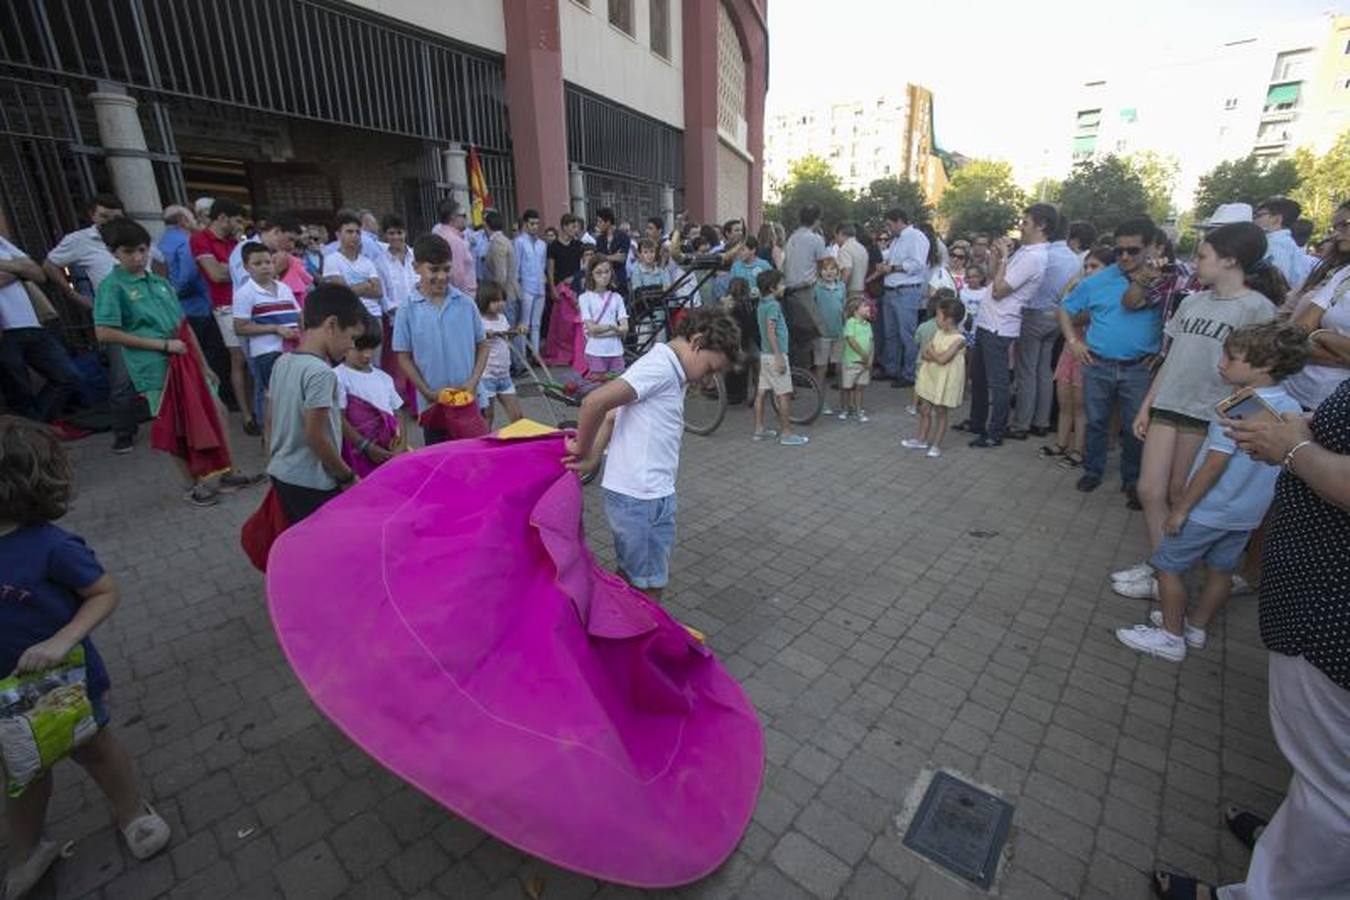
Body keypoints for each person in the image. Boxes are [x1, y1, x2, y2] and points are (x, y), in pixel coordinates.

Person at [1150, 380, 1350, 900]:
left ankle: (1277, 885)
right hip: (1321, 602)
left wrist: (1295, 448)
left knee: (1337, 796)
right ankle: (1294, 845)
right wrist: (1308, 427)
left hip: (1335, 618)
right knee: (1324, 777)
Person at [0, 418, 171, 900]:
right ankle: (28, 848)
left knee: (93, 746)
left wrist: (62, 639)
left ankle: (132, 812)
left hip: (61, 683)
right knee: (22, 771)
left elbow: (103, 592)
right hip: (6, 696)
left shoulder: (51, 546)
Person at [1114, 321, 1306, 665]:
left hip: (1208, 510)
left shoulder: (1238, 407)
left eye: (1231, 357)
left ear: (1263, 366)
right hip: (1246, 515)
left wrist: (1181, 509)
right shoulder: (1291, 407)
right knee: (1220, 572)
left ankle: (1170, 636)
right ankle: (1196, 627)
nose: (1221, 362)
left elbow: (1212, 466)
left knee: (1168, 567)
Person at [1112, 223, 1283, 599]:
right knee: (1148, 489)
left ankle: (1169, 572)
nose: (1196, 263)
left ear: (1230, 260)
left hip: (1207, 412)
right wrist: (1147, 404)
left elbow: (1259, 372)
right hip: (1168, 402)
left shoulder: (1257, 307)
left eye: (1203, 256)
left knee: (1178, 492)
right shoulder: (1192, 301)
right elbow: (1172, 358)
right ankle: (1162, 566)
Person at [563, 307, 741, 600]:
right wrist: (583, 449)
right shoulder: (660, 368)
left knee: (633, 574)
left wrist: (594, 458)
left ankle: (619, 626)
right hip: (643, 497)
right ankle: (641, 637)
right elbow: (595, 403)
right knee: (648, 585)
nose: (708, 380)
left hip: (640, 494)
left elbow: (612, 415)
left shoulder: (670, 367)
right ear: (696, 343)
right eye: (709, 369)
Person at [94, 219, 256, 506]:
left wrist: (204, 364)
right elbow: (105, 332)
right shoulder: (112, 286)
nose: (137, 258)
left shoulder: (159, 283)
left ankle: (227, 471)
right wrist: (162, 345)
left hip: (187, 358)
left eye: (142, 250)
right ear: (113, 253)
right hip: (154, 366)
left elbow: (183, 324)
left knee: (216, 410)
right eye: (128, 252)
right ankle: (193, 486)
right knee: (176, 426)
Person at [1057, 217, 1163, 494]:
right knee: (1096, 423)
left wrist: (1164, 352)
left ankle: (1132, 479)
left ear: (1151, 247)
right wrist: (1072, 342)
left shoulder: (1165, 281)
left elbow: (1175, 320)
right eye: (1119, 251)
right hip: (1098, 364)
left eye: (1133, 250)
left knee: (1134, 428)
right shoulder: (1099, 280)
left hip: (1139, 367)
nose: (1124, 256)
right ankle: (1093, 470)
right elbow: (1064, 309)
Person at [264, 283, 367, 523]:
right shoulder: (321, 372)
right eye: (351, 337)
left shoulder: (283, 361)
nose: (352, 346)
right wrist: (346, 476)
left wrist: (273, 459)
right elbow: (315, 436)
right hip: (313, 481)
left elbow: (269, 419)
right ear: (331, 325)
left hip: (282, 473)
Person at [967, 205, 1051, 448]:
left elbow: (999, 290)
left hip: (1000, 326)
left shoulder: (1035, 257)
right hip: (988, 322)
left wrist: (1004, 257)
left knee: (997, 382)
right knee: (979, 379)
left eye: (1025, 222)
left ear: (1041, 225)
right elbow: (995, 277)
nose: (1020, 227)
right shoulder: (1026, 251)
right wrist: (996, 256)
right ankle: (977, 423)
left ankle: (995, 432)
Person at [393, 234, 489, 446]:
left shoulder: (465, 303)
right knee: (441, 462)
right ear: (416, 267)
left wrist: (473, 382)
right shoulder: (407, 310)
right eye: (434, 270)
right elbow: (403, 357)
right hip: (433, 406)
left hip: (469, 402)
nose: (442, 276)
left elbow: (482, 345)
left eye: (446, 269)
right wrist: (426, 391)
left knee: (474, 460)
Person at [0, 236, 81, 434]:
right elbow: (25, 271)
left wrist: (10, 268)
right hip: (4, 331)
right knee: (19, 391)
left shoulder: (2, 242)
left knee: (68, 375)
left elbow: (37, 273)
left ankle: (34, 429)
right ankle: (33, 438)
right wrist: (19, 270)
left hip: (31, 323)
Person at [1010, 208, 1079, 439]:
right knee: (1044, 369)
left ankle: (1022, 423)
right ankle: (1041, 421)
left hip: (1035, 313)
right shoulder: (1072, 256)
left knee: (1027, 371)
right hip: (1058, 317)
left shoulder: (1042, 253)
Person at [1043, 247, 1114, 468]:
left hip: (1089, 353)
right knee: (1064, 401)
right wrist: (1073, 285)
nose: (1089, 271)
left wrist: (1069, 313)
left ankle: (1078, 450)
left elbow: (1076, 317)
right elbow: (1060, 310)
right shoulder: (1080, 287)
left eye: (1095, 266)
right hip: (1069, 350)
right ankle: (1061, 444)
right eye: (1087, 266)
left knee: (1081, 406)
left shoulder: (1109, 293)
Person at [191, 198, 254, 434]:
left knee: (252, 359)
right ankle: (247, 415)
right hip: (225, 306)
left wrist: (234, 266)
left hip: (246, 302)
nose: (240, 226)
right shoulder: (201, 239)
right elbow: (215, 274)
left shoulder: (234, 242)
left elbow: (249, 269)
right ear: (222, 218)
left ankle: (254, 409)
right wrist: (239, 269)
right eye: (236, 221)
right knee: (239, 358)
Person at [1284, 199, 1350, 411]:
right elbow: (1296, 334)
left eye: (1345, 224)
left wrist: (1321, 335)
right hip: (1295, 392)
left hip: (1337, 410)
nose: (1336, 234)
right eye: (1335, 227)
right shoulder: (1344, 274)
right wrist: (1323, 339)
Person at [231, 241, 302, 426]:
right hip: (267, 352)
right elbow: (240, 327)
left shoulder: (284, 288)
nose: (265, 267)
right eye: (258, 263)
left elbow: (298, 315)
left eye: (268, 262)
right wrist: (274, 328)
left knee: (290, 396)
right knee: (270, 395)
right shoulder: (245, 293)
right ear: (247, 267)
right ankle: (268, 437)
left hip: (292, 349)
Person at [336, 320, 404, 478]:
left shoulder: (384, 378)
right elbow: (339, 418)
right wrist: (365, 446)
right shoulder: (338, 377)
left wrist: (400, 446)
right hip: (357, 454)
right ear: (345, 345)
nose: (367, 354)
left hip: (390, 449)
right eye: (359, 348)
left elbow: (398, 413)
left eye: (371, 347)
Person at [902, 294, 967, 458]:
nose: (936, 319)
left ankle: (936, 444)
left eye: (938, 316)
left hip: (944, 382)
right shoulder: (938, 332)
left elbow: (943, 359)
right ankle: (921, 439)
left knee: (941, 413)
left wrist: (934, 354)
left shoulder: (959, 339)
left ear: (949, 319)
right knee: (924, 409)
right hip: (931, 377)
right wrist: (934, 355)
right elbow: (925, 353)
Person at [752, 269, 808, 447]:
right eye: (780, 284)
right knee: (784, 394)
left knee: (761, 393)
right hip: (775, 354)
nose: (783, 287)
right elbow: (771, 331)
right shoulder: (774, 306)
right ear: (772, 287)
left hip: (764, 355)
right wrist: (779, 356)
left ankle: (759, 430)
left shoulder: (761, 304)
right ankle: (786, 433)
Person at [41, 194, 123, 309]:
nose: (111, 221)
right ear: (92, 215)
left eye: (117, 218)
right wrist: (74, 295)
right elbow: (49, 265)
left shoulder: (135, 236)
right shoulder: (79, 240)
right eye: (104, 216)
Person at [880, 207, 930, 386]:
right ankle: (891, 368)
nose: (888, 228)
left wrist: (892, 268)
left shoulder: (916, 237)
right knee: (891, 333)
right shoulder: (897, 240)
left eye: (889, 224)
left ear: (899, 220)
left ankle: (909, 373)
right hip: (892, 289)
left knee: (907, 334)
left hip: (906, 290)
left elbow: (917, 264)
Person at [473, 281, 526, 430]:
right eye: (495, 301)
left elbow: (508, 337)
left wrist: (518, 330)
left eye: (502, 299)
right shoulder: (479, 322)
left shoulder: (502, 318)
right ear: (485, 301)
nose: (501, 304)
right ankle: (483, 447)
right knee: (487, 416)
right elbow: (472, 341)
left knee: (517, 416)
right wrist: (484, 335)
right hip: (486, 377)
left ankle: (518, 443)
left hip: (504, 376)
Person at [782, 205, 828, 369]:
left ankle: (798, 368)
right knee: (814, 328)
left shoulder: (792, 237)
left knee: (796, 330)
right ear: (816, 220)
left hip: (789, 289)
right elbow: (824, 265)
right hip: (807, 288)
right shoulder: (816, 239)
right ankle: (816, 367)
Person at [323, 209, 385, 328]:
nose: (354, 236)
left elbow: (378, 292)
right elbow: (342, 293)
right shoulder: (331, 260)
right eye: (349, 232)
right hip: (349, 318)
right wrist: (366, 284)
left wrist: (353, 288)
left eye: (357, 232)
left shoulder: (368, 262)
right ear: (338, 234)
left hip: (374, 317)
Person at [579, 258, 628, 377]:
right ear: (592, 275)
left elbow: (625, 328)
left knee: (617, 388)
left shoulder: (617, 297)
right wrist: (614, 327)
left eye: (607, 271)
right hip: (595, 350)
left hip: (616, 350)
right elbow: (591, 329)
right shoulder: (585, 298)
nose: (604, 276)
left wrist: (598, 332)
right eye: (599, 272)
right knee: (598, 386)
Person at [1255, 196, 1315, 293]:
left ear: (1277, 219)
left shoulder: (1277, 245)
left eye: (1259, 216)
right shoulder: (1284, 242)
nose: (1255, 220)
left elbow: (1275, 284)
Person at [813, 256, 846, 413]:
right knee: (822, 369)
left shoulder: (841, 287)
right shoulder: (816, 288)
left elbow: (844, 309)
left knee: (840, 368)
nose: (829, 272)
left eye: (832, 268)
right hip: (822, 335)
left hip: (839, 333)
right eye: (825, 269)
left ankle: (844, 403)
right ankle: (820, 403)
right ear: (820, 272)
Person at [513, 208, 548, 354]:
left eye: (537, 224)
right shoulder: (519, 242)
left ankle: (536, 355)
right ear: (526, 224)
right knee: (524, 323)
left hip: (540, 287)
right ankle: (522, 357)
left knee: (536, 324)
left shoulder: (542, 244)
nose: (535, 226)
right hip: (525, 287)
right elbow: (516, 267)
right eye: (532, 223)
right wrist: (516, 288)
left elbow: (543, 265)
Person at [430, 200, 477, 297]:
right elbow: (457, 276)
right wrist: (465, 299)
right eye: (463, 215)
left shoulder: (438, 232)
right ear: (453, 217)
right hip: (460, 297)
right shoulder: (454, 241)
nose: (466, 219)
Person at [838, 296, 874, 422]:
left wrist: (870, 359)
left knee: (860, 387)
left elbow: (871, 342)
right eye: (864, 306)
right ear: (855, 310)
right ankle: (846, 409)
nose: (868, 308)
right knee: (847, 387)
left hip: (864, 363)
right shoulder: (850, 323)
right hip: (851, 361)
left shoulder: (868, 325)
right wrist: (863, 354)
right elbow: (851, 340)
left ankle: (859, 410)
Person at [592, 208, 630, 295]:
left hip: (619, 280)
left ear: (608, 222)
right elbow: (598, 258)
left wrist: (605, 257)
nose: (598, 224)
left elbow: (622, 258)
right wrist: (613, 256)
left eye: (600, 222)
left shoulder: (623, 237)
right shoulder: (600, 239)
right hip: (604, 281)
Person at [835, 224, 870, 300]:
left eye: (836, 236)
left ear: (840, 233)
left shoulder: (845, 249)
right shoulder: (862, 248)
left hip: (849, 291)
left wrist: (840, 289)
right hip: (861, 290)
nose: (836, 240)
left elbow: (847, 270)